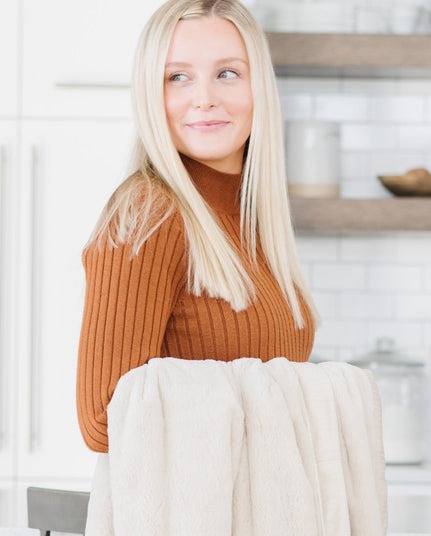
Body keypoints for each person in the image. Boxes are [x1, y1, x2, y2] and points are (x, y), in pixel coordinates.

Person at [75, 0, 317, 452]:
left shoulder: (253, 227)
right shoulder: (148, 215)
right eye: (178, 77)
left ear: (258, 86)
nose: (205, 97)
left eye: (227, 73)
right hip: (193, 522)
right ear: (153, 93)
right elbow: (104, 419)